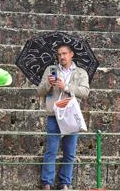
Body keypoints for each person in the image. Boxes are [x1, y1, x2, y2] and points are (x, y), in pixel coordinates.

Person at [37, 44, 90, 190]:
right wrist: (49, 83)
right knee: (51, 150)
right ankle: (47, 182)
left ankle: (65, 182)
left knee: (69, 151)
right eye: (59, 54)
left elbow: (85, 92)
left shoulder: (81, 72)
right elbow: (40, 91)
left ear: (71, 54)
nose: (62, 57)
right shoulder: (50, 70)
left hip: (71, 114)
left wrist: (65, 86)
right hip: (54, 114)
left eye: (65, 53)